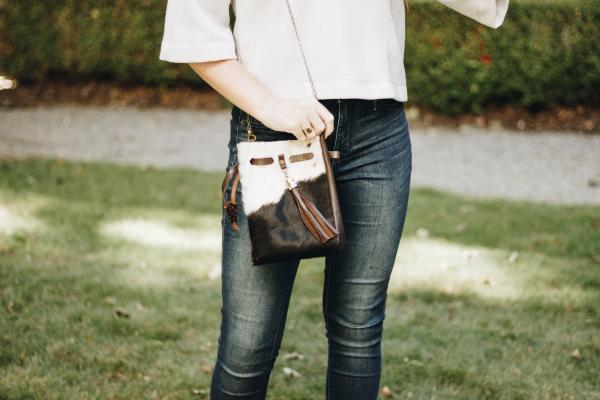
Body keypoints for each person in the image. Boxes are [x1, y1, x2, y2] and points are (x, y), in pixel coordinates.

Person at [159, 1, 508, 398]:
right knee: (247, 343)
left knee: (358, 330)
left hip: (378, 132)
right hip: (274, 135)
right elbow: (195, 33)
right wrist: (273, 109)